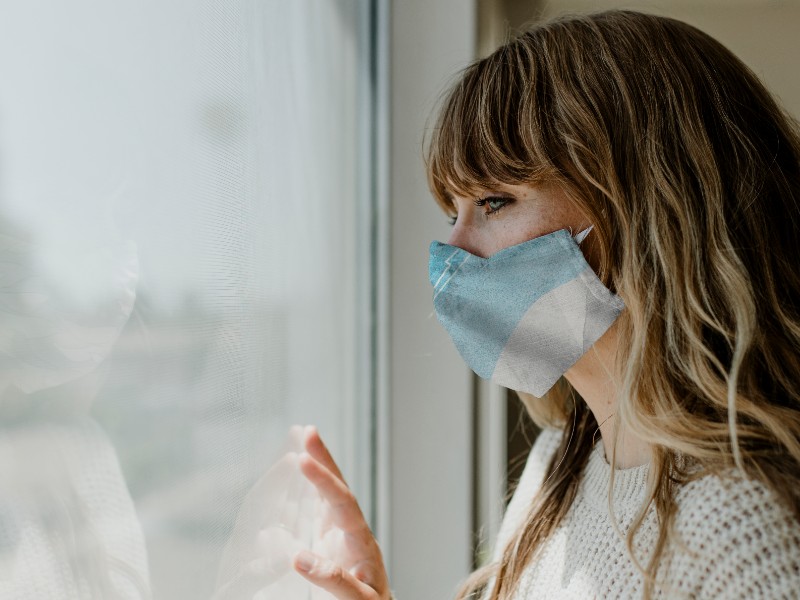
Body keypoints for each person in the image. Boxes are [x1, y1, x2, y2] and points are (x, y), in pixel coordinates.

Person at [289, 9, 800, 599]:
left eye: (495, 201)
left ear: (651, 212)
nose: (450, 251)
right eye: (450, 213)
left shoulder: (748, 535)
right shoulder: (558, 466)